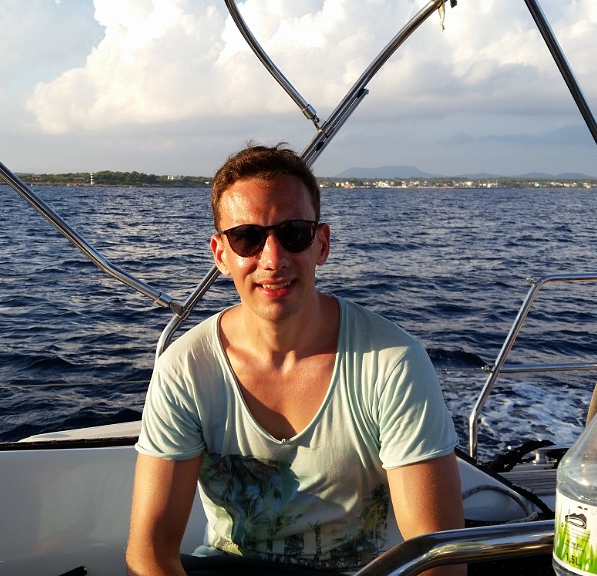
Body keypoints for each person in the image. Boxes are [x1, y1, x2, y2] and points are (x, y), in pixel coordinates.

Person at [126, 144, 465, 576]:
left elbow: (438, 561)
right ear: (221, 255)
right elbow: (150, 554)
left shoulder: (392, 364)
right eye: (247, 237)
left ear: (321, 244)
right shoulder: (186, 368)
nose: (272, 259)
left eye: (294, 233)